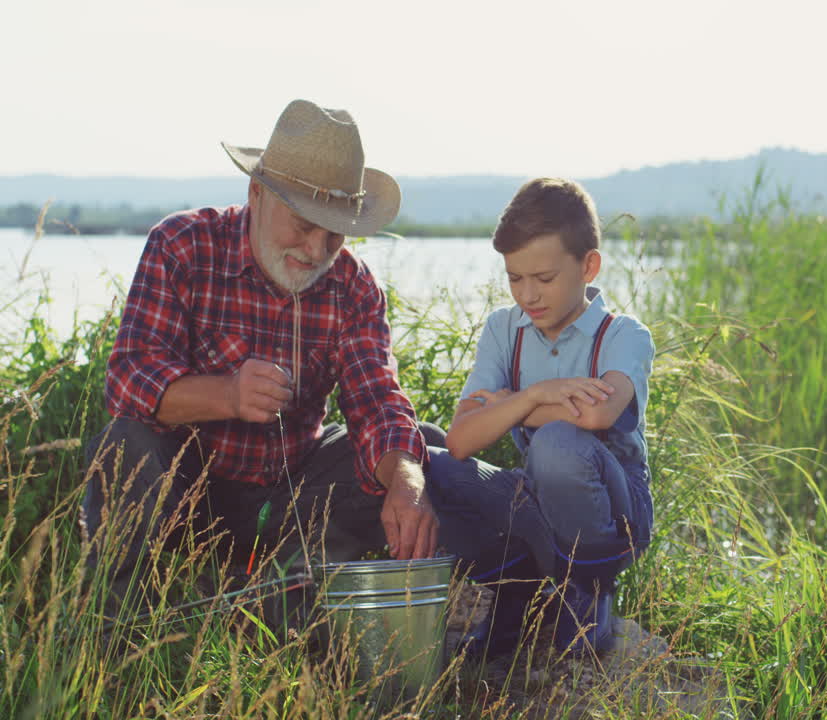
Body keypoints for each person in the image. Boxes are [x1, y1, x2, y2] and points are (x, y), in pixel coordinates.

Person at [81, 99, 442, 610]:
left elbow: (377, 401)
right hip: (187, 498)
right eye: (302, 224)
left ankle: (281, 597)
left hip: (292, 497)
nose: (317, 250)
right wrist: (226, 394)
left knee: (419, 450)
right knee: (125, 440)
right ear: (256, 192)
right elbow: (127, 380)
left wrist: (406, 479)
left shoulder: (354, 285)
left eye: (334, 233)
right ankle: (116, 623)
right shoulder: (183, 245)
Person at [426, 177, 655, 657]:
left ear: (589, 266)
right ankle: (517, 590)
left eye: (544, 279)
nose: (528, 295)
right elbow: (463, 438)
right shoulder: (503, 329)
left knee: (556, 443)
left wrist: (508, 404)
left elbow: (596, 414)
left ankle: (590, 590)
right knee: (427, 463)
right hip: (536, 493)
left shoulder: (624, 335)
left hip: (615, 511)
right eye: (514, 278)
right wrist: (535, 394)